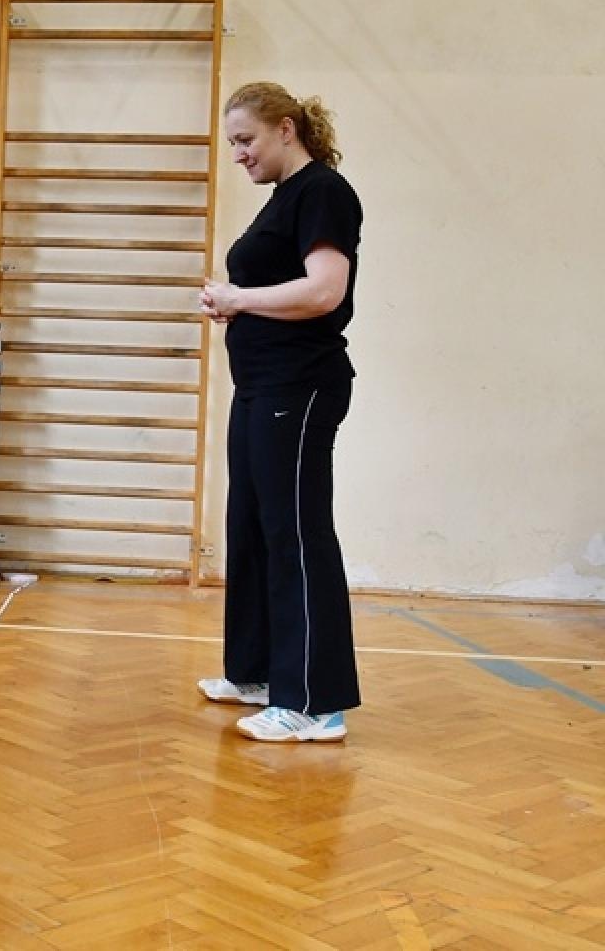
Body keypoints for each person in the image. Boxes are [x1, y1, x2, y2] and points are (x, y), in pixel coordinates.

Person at [196, 81, 363, 743]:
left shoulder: (323, 191)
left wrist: (238, 299)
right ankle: (260, 672)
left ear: (286, 128)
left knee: (296, 532)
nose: (238, 154)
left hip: (301, 385)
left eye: (246, 140)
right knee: (252, 525)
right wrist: (234, 301)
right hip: (263, 385)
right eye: (233, 143)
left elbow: (325, 290)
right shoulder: (284, 200)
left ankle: (315, 703)